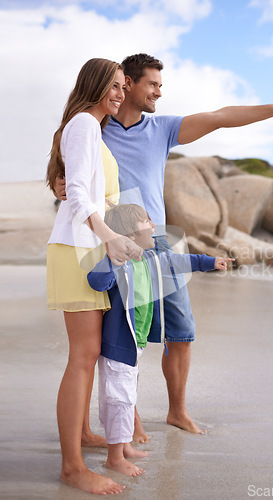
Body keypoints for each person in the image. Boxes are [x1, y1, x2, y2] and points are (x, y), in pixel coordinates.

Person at [54, 53, 273, 436]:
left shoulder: (161, 128)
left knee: (181, 330)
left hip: (160, 240)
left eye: (161, 85)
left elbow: (220, 116)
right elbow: (66, 174)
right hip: (115, 245)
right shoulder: (95, 126)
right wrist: (57, 186)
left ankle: (178, 410)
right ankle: (131, 418)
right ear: (128, 83)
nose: (160, 92)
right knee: (124, 336)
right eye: (153, 84)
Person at [46, 58, 143, 495]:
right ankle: (72, 467)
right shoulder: (85, 124)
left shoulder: (89, 127)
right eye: (114, 85)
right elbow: (81, 194)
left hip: (86, 248)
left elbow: (79, 188)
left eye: (124, 86)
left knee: (86, 354)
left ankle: (84, 435)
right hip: (80, 250)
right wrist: (108, 236)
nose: (120, 93)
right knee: (83, 357)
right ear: (95, 85)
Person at [87, 204, 233, 475]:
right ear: (130, 235)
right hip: (119, 345)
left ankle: (124, 447)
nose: (154, 226)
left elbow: (179, 261)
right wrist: (111, 261)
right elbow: (96, 281)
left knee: (125, 397)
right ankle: (114, 458)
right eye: (146, 223)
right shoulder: (120, 262)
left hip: (136, 344)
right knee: (118, 399)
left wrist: (210, 262)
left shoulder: (151, 258)